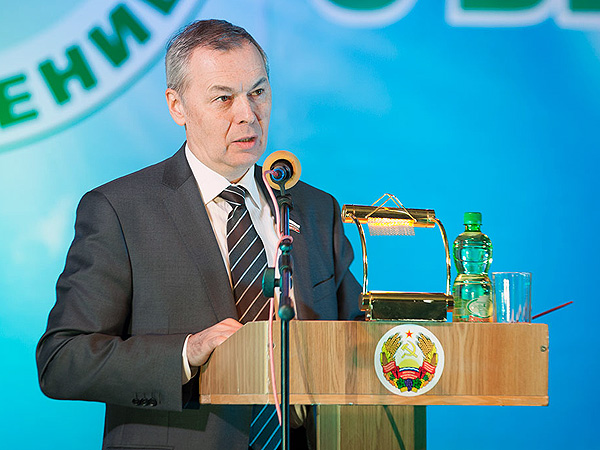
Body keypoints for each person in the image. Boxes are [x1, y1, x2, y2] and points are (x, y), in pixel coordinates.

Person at [36, 19, 362, 450]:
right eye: (223, 98)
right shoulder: (120, 210)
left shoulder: (316, 208)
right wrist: (186, 352)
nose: (247, 114)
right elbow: (62, 360)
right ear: (177, 106)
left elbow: (357, 338)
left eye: (258, 92)